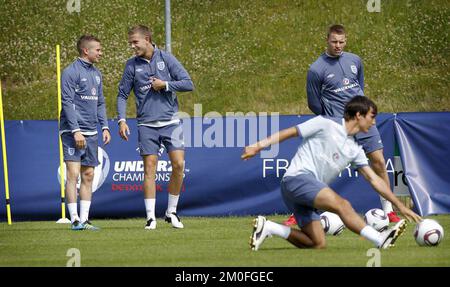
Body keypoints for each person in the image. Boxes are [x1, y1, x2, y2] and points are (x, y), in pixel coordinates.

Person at [242, 96, 421, 250]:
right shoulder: (324, 124)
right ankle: (379, 239)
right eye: (371, 117)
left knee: (317, 243)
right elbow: (289, 132)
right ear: (359, 115)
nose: (374, 122)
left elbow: (375, 180)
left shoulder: (356, 149)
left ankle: (270, 228)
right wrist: (257, 146)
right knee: (342, 205)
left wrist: (400, 205)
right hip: (297, 179)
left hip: (302, 195)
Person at [283, 24, 400, 227]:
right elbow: (314, 103)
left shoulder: (355, 60)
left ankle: (388, 211)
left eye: (341, 41)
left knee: (379, 162)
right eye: (334, 41)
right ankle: (301, 210)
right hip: (338, 127)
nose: (338, 45)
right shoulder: (316, 69)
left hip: (362, 122)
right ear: (327, 40)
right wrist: (333, 120)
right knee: (323, 170)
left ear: (346, 40)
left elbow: (360, 88)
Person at [117, 25, 194, 230]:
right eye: (130, 43)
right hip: (146, 125)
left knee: (178, 165)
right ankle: (151, 218)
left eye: (135, 42)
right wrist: (122, 120)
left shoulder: (166, 58)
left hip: (171, 122)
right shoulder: (131, 65)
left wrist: (166, 85)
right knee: (149, 168)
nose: (132, 46)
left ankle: (171, 212)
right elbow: (122, 94)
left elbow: (188, 83)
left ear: (148, 39)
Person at [60, 35, 111, 230]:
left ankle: (85, 219)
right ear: (86, 51)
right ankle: (74, 220)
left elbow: (100, 102)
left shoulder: (97, 74)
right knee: (73, 174)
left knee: (88, 174)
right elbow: (67, 102)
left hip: (92, 131)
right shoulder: (70, 72)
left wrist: (104, 126)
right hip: (73, 131)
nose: (101, 52)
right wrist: (76, 131)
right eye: (98, 49)